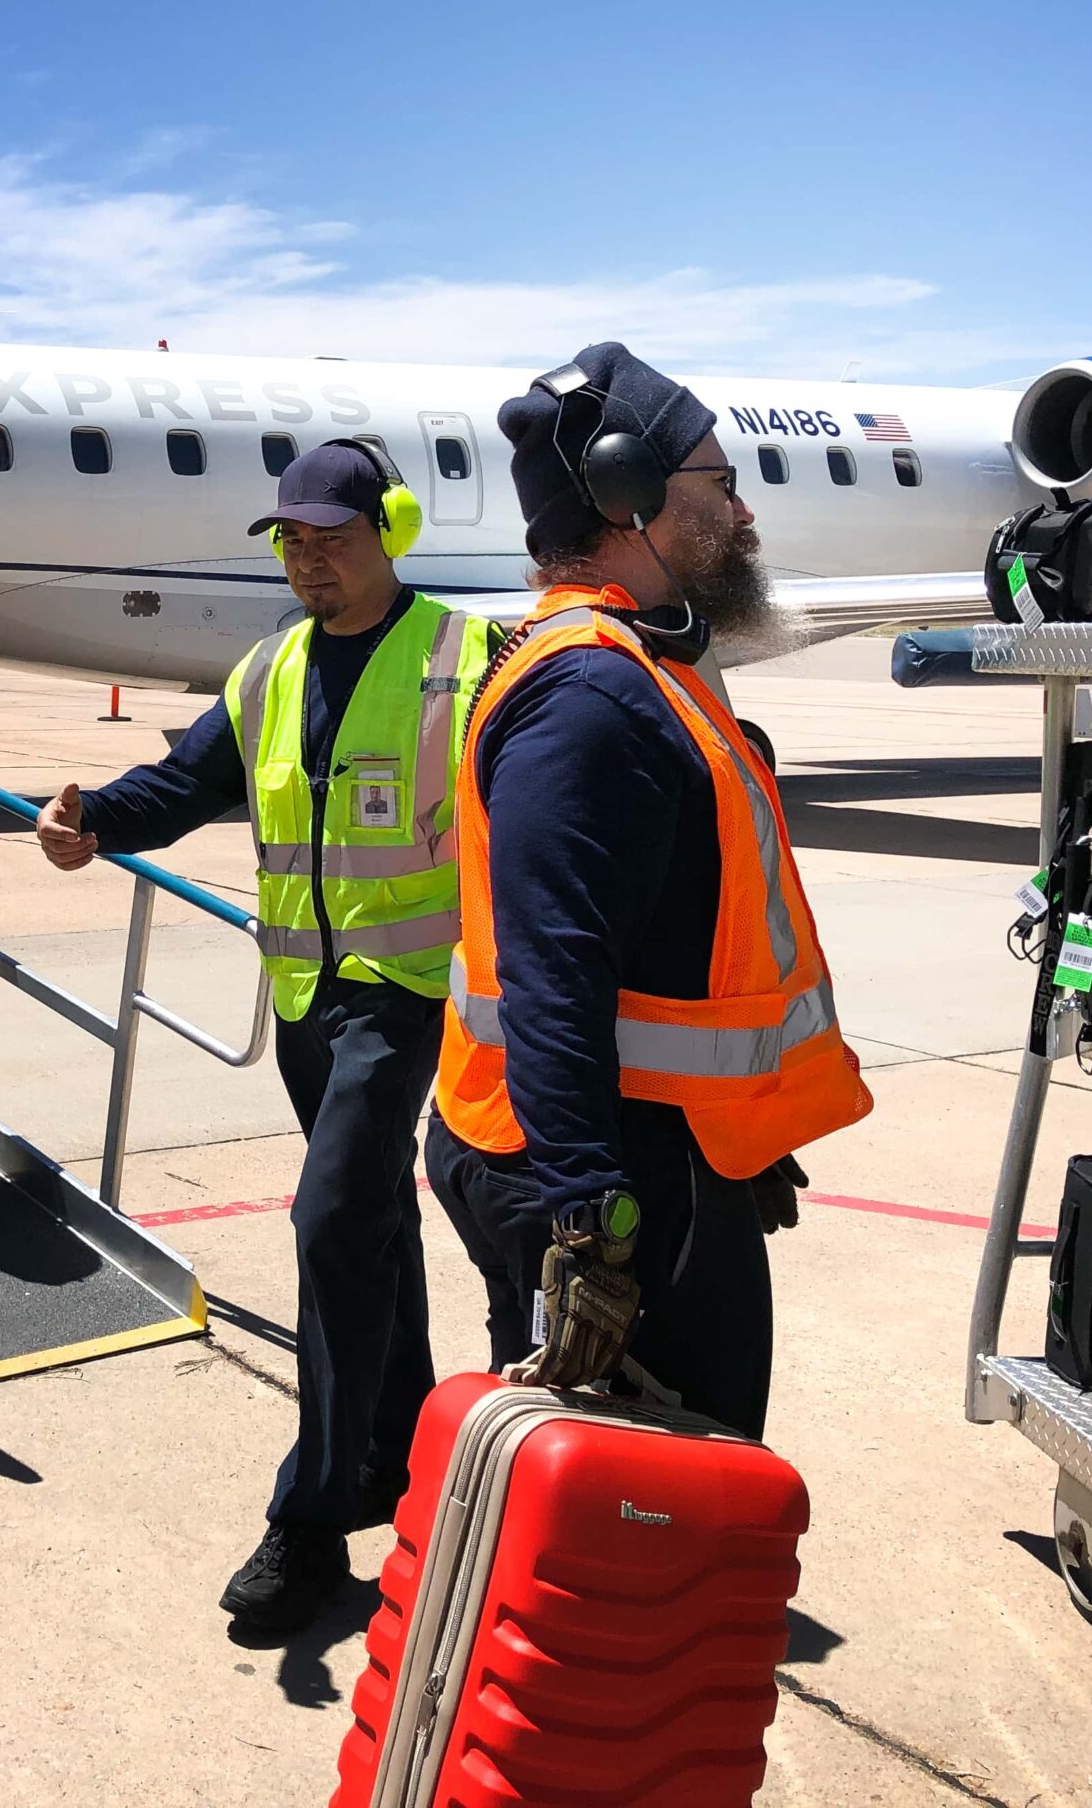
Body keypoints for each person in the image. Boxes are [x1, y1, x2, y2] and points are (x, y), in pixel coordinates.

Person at [34, 440, 499, 1633]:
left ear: (390, 529)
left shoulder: (464, 657)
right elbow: (187, 781)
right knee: (370, 1225)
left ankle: (313, 1515)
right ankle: (398, 1451)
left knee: (330, 1219)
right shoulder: (270, 668)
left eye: (330, 538)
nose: (307, 560)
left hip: (406, 991)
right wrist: (95, 818)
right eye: (290, 540)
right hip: (304, 1000)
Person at [423, 342, 871, 1432]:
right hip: (604, 1172)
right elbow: (554, 972)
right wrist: (589, 1223)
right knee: (663, 1486)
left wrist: (738, 1132)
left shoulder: (634, 663)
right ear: (629, 494)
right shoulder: (591, 693)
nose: (744, 513)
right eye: (720, 483)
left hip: (653, 1145)